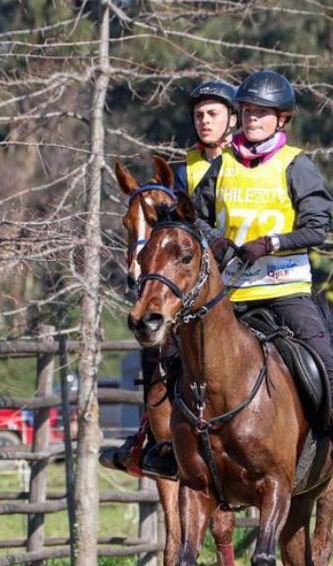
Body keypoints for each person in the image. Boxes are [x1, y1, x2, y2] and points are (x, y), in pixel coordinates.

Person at [188, 69, 333, 483]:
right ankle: (169, 446)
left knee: (323, 355)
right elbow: (196, 219)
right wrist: (217, 242)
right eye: (248, 111)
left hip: (284, 288)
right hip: (231, 293)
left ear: (282, 119)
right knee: (178, 355)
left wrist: (271, 243)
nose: (253, 118)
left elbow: (317, 227)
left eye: (263, 112)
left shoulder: (297, 165)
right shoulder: (220, 166)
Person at [102, 79, 239, 479]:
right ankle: (156, 441)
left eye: (212, 113)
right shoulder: (181, 172)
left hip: (247, 273)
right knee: (157, 348)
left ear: (232, 119)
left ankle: (328, 432)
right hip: (194, 281)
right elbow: (171, 228)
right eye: (198, 114)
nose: (204, 121)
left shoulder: (247, 167)